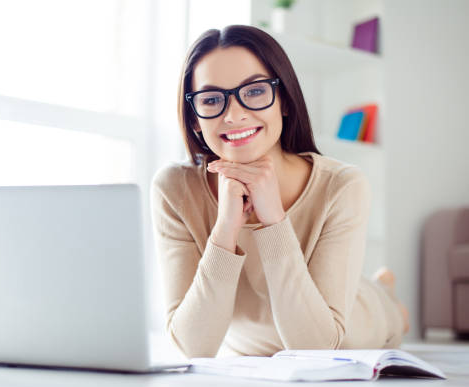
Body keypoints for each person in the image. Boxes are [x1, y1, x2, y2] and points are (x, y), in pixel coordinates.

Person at [150, 25, 409, 359]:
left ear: (284, 100)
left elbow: (314, 347)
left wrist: (273, 219)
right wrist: (225, 228)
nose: (234, 114)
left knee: (387, 312)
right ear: (195, 118)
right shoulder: (174, 189)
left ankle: (386, 296)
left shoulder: (342, 184)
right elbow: (193, 347)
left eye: (255, 91)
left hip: (354, 327)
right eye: (212, 99)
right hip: (251, 344)